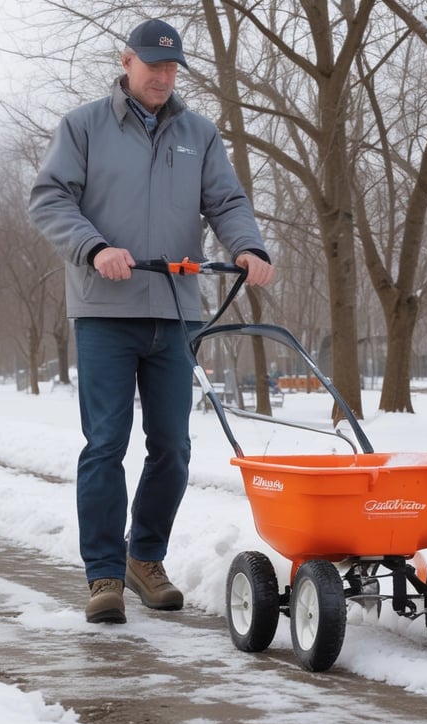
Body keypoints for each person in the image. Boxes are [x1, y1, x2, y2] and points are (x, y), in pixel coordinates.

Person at [29, 18, 274, 624]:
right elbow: (50, 197)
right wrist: (93, 247)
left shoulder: (198, 133)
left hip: (174, 308)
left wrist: (249, 247)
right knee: (106, 444)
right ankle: (104, 576)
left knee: (173, 447)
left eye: (171, 68)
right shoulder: (83, 126)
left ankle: (145, 559)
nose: (163, 77)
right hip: (105, 311)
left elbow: (225, 200)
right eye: (152, 65)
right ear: (126, 62)